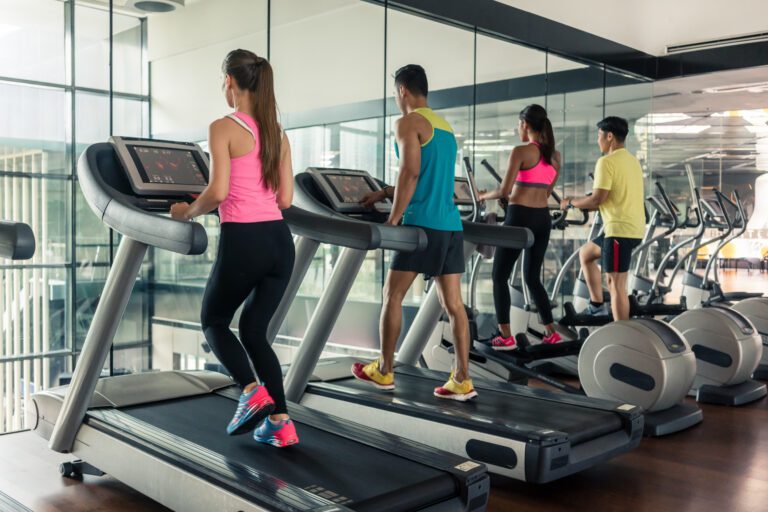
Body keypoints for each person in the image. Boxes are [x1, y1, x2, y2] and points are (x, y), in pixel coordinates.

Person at [170, 49, 298, 447]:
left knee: (213, 321)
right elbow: (286, 199)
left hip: (244, 240)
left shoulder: (222, 127)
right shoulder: (278, 133)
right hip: (280, 242)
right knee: (255, 331)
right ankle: (281, 423)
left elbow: (218, 191)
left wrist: (187, 212)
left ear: (229, 82)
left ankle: (250, 391)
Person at [351, 64, 476, 401]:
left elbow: (411, 171)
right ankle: (462, 379)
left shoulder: (407, 122)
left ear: (402, 90)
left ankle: (384, 370)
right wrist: (383, 192)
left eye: (396, 93)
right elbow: (430, 178)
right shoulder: (444, 127)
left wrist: (393, 219)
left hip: (422, 224)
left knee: (392, 295)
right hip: (450, 227)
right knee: (454, 305)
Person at [478, 104, 562, 350]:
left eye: (518, 125)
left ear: (525, 124)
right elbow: (545, 191)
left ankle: (505, 336)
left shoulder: (520, 151)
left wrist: (482, 196)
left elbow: (504, 191)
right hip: (542, 219)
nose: (518, 129)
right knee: (532, 278)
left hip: (519, 217)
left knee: (499, 276)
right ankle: (551, 332)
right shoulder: (555, 156)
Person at [560, 116, 645, 321]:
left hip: (618, 232)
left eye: (599, 136)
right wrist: (583, 203)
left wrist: (570, 203)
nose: (597, 140)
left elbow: (598, 199)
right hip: (632, 229)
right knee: (586, 254)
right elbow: (607, 197)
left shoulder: (606, 162)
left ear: (609, 136)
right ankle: (597, 305)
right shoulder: (633, 161)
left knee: (616, 284)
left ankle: (622, 333)